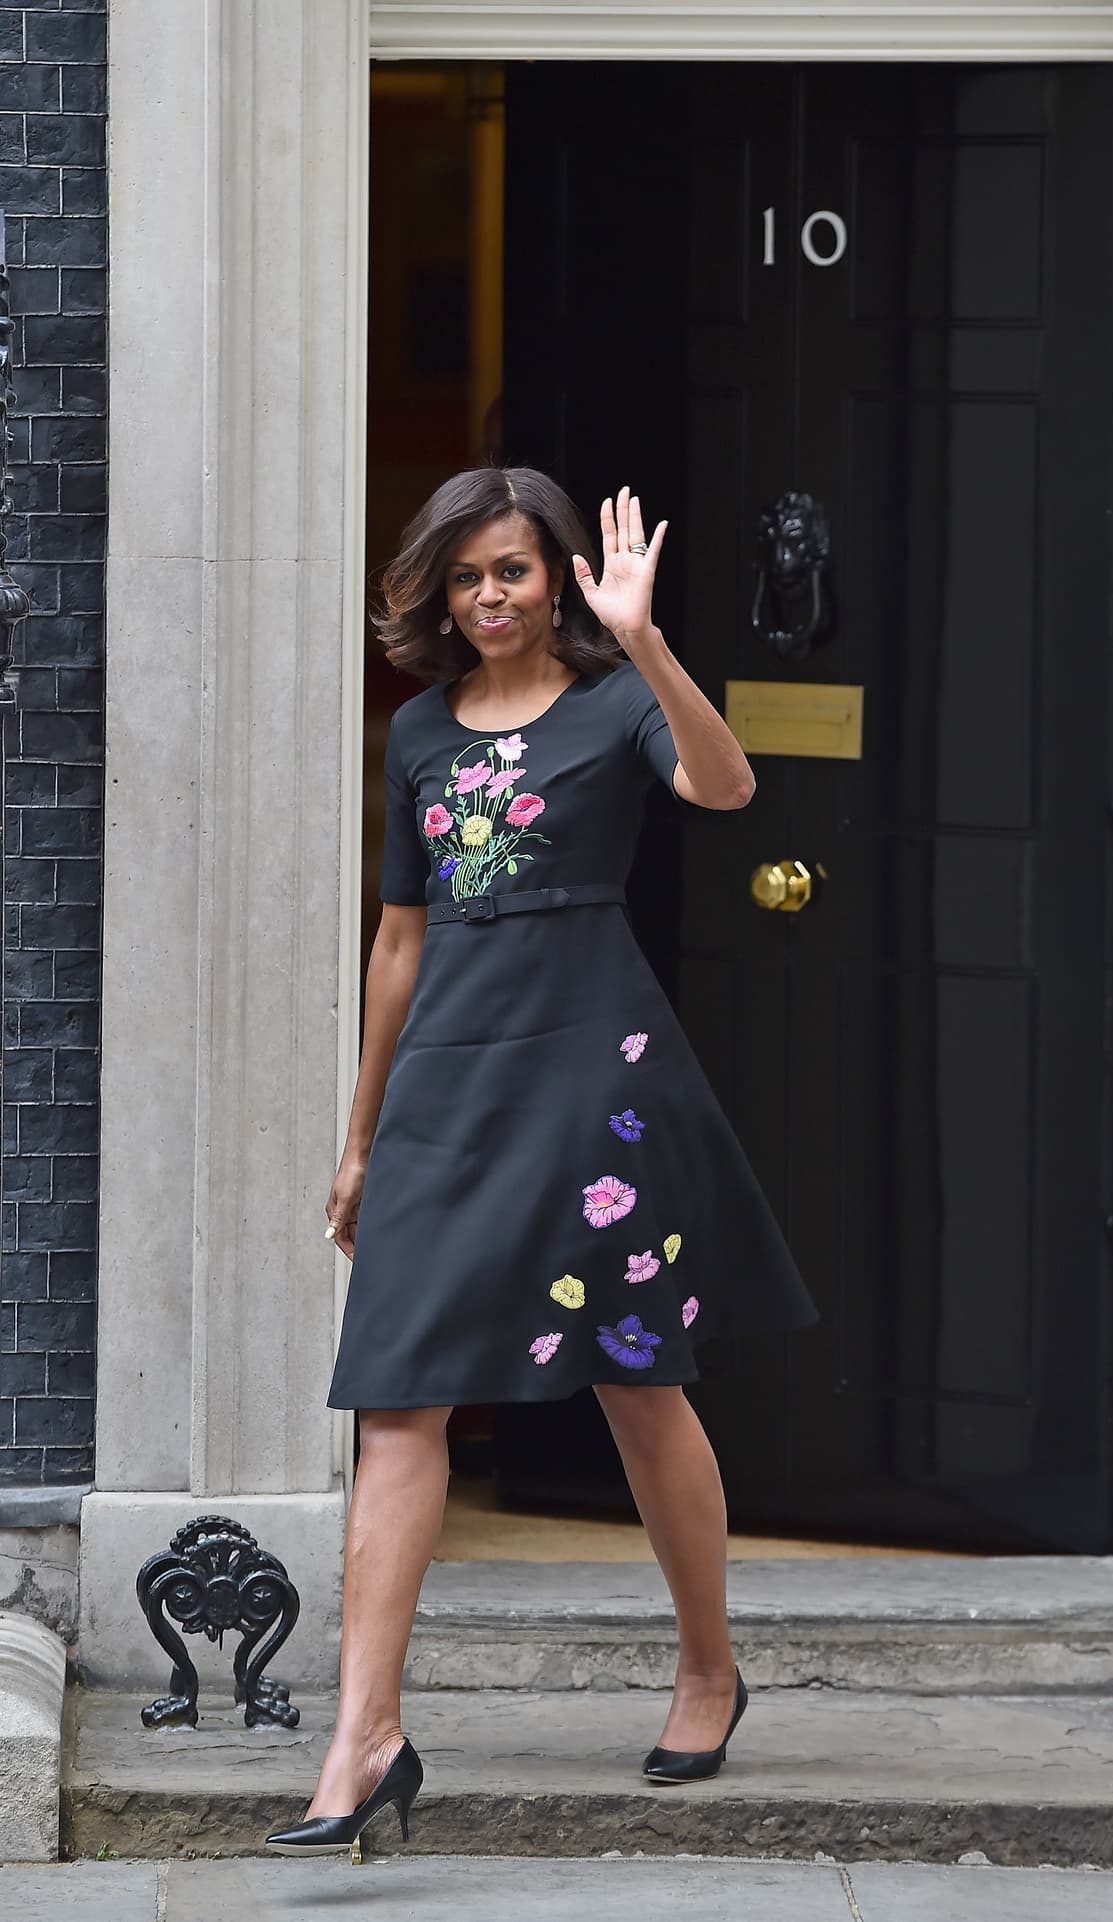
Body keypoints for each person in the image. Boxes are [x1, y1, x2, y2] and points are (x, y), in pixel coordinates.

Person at [265, 468, 819, 1857]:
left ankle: (707, 1668)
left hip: (592, 1081)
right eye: (466, 576)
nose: (490, 597)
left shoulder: (615, 699)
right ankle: (364, 1733)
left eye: (512, 569)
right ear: (439, 592)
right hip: (450, 1081)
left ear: (559, 573)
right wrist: (360, 1136)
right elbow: (401, 937)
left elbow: (728, 782)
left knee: (639, 1385)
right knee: (396, 1395)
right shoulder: (414, 736)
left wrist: (643, 637)